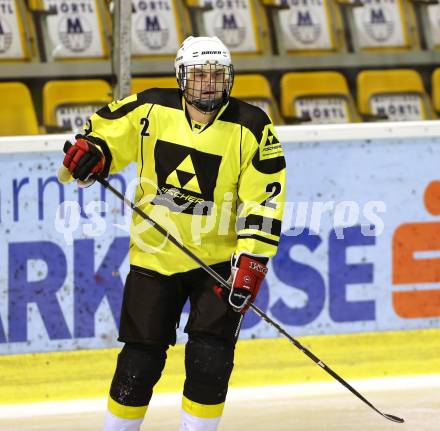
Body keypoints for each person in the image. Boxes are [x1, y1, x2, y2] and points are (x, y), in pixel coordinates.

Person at [61, 36, 286, 431]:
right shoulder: (150, 107)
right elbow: (103, 133)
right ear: (182, 78)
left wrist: (253, 259)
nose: (207, 84)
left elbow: (264, 200)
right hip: (155, 255)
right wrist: (92, 152)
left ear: (228, 79)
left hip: (220, 263)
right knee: (141, 358)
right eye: (198, 75)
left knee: (210, 358)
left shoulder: (252, 127)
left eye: (216, 75)